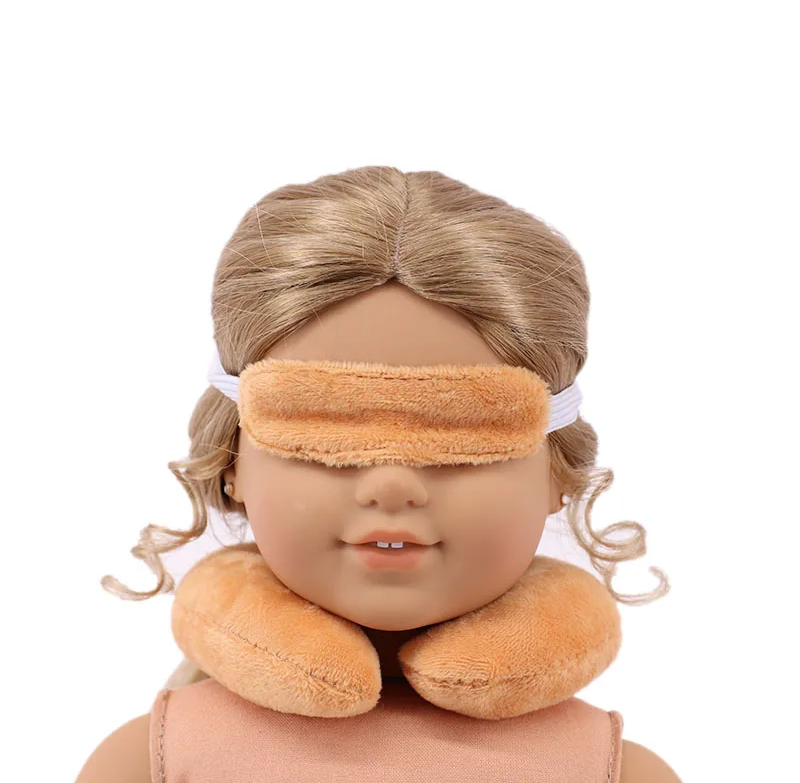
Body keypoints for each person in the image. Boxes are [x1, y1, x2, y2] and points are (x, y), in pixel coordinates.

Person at [76, 167, 681, 782]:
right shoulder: (149, 763)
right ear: (233, 462)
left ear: (558, 473)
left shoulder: (618, 772)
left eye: (464, 433)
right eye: (321, 426)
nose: (393, 485)